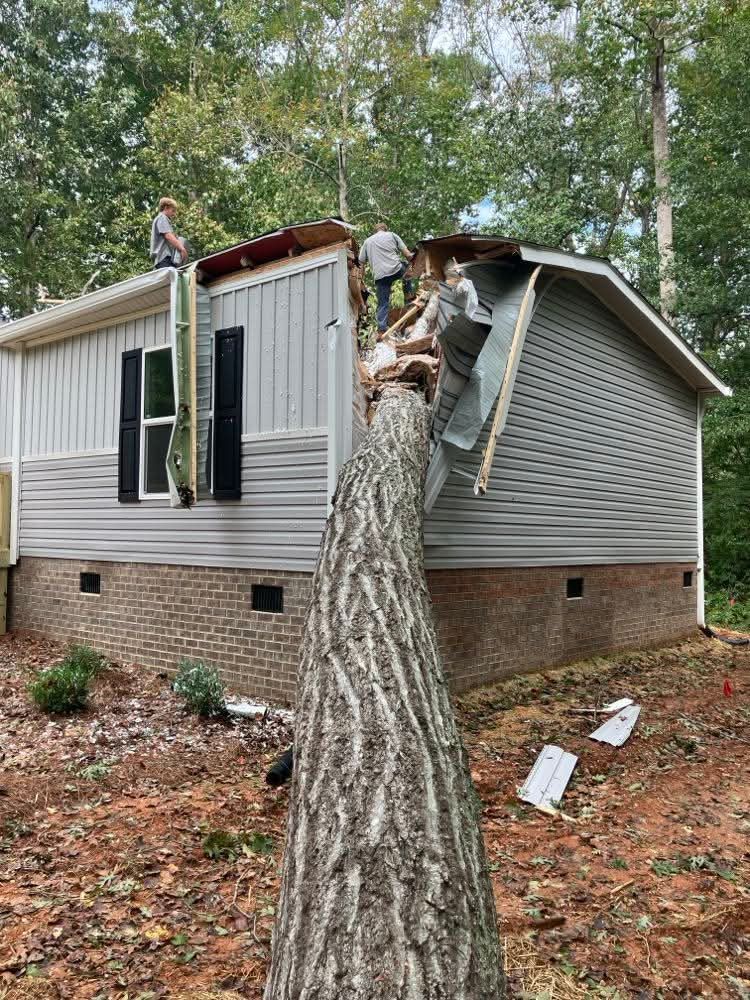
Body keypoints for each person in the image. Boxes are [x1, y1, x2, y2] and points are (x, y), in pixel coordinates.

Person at [358, 222, 415, 334]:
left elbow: (361, 262)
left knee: (382, 303)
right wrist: (416, 260)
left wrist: (361, 280)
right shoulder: (392, 235)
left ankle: (381, 329)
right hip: (396, 270)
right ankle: (408, 295)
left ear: (375, 231)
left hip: (380, 276)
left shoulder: (367, 241)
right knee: (407, 268)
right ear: (385, 229)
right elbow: (408, 255)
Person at [150, 197, 188, 269]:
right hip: (163, 258)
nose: (174, 214)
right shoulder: (162, 218)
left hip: (166, 259)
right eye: (173, 210)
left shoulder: (162, 219)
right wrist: (182, 249)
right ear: (166, 207)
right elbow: (168, 236)